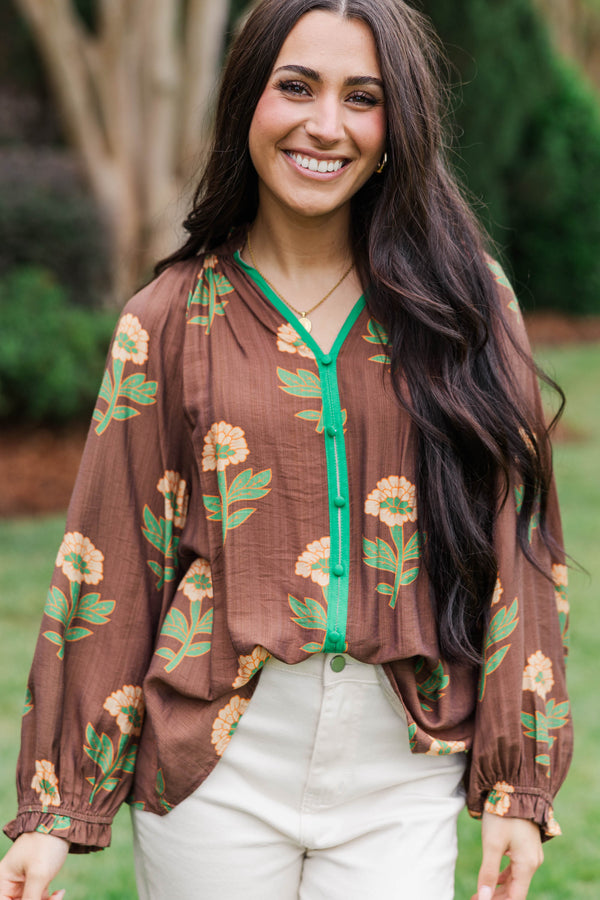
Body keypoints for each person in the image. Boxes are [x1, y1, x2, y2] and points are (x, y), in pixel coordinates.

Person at [1, 0, 572, 898]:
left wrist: (519, 782)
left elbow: (520, 539)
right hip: (214, 769)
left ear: (397, 125)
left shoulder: (465, 302)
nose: (324, 125)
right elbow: (107, 561)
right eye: (296, 87)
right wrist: (54, 808)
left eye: (361, 96)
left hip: (401, 766)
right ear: (247, 104)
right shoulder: (167, 320)